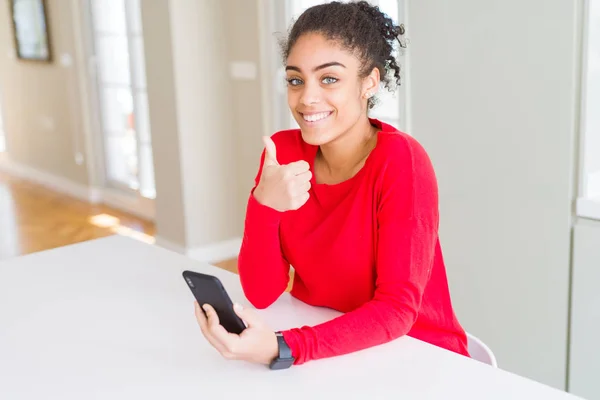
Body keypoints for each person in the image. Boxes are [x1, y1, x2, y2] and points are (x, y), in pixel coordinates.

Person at [194, 0, 470, 368]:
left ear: (369, 81)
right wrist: (263, 206)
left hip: (420, 357)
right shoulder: (283, 153)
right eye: (296, 79)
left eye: (329, 78)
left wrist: (284, 348)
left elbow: (396, 310)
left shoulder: (402, 162)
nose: (307, 98)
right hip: (333, 347)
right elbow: (262, 293)